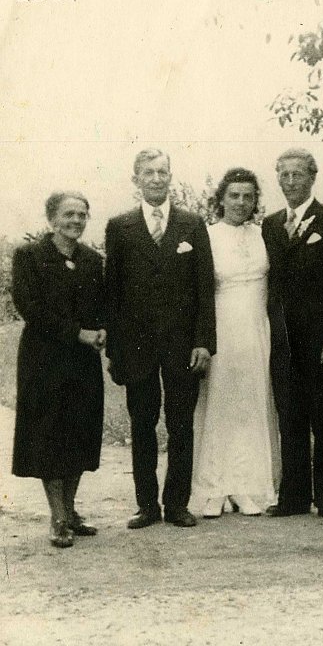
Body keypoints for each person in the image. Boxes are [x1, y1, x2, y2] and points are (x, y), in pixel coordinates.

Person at [105, 149, 216, 529]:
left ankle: (177, 504)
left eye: (162, 172)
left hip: (182, 344)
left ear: (170, 177)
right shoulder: (120, 226)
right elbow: (113, 292)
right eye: (148, 173)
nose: (156, 179)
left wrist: (203, 342)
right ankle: (147, 506)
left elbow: (204, 288)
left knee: (181, 423)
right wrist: (116, 350)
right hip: (136, 347)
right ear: (135, 178)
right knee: (142, 423)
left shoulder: (191, 224)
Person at [261, 148, 323, 522]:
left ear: (312, 177)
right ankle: (294, 497)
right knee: (290, 418)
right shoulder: (270, 223)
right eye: (285, 175)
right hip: (282, 340)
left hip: (321, 340)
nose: (291, 182)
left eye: (298, 174)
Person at [12, 191, 106, 548]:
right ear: (51, 218)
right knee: (49, 434)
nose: (76, 221)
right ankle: (57, 516)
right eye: (69, 214)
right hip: (43, 359)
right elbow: (29, 307)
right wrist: (77, 333)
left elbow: (100, 304)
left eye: (82, 214)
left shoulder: (92, 259)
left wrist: (101, 329)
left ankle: (70, 509)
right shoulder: (30, 257)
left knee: (79, 432)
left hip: (82, 361)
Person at [190, 168, 281, 518]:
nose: (241, 202)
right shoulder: (207, 236)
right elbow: (199, 291)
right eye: (234, 195)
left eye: (248, 196)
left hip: (258, 328)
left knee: (252, 403)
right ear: (221, 199)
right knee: (219, 403)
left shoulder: (264, 235)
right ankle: (214, 488)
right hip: (221, 328)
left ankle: (247, 486)